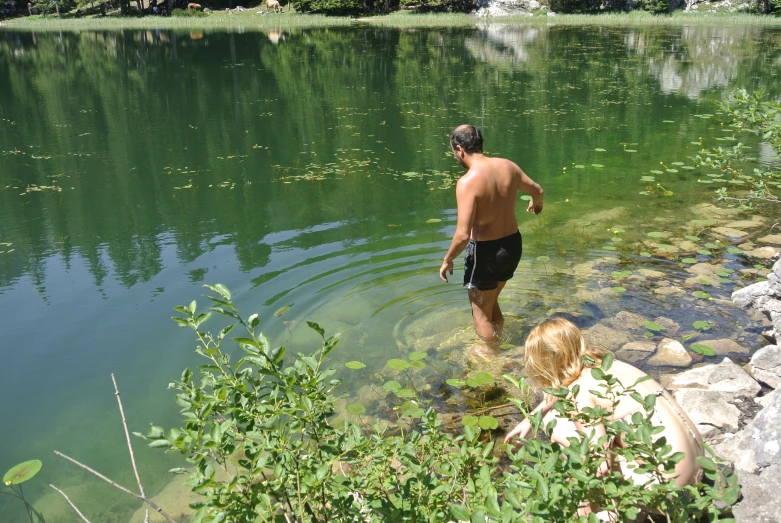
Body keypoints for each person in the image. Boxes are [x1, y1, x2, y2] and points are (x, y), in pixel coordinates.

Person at [504, 318, 703, 491]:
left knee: (555, 423)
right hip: (699, 468)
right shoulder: (609, 365)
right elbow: (565, 385)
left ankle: (599, 512)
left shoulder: (579, 393)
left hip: (669, 488)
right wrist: (530, 419)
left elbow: (600, 467)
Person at [439, 124, 544, 344]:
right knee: (490, 302)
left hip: (486, 254)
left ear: (460, 149)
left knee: (480, 313)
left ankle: (489, 360)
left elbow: (462, 235)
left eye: (453, 152)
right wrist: (537, 203)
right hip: (512, 246)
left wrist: (448, 260)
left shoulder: (467, 182)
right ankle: (499, 342)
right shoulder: (508, 166)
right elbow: (538, 190)